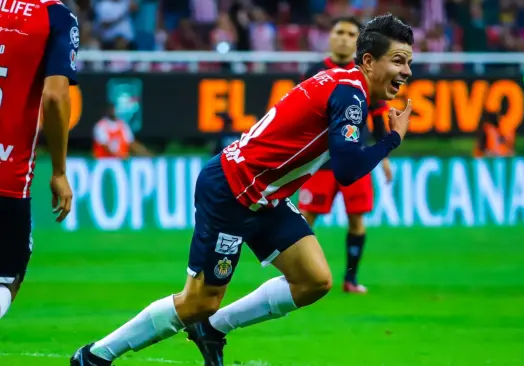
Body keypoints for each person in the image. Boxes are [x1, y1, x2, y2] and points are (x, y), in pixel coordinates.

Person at [71, 13, 414, 366]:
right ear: (369, 61)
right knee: (198, 301)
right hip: (233, 192)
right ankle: (95, 355)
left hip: (266, 196)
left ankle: (212, 329)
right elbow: (346, 169)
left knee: (314, 280)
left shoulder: (343, 84)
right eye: (398, 61)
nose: (406, 72)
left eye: (409, 63)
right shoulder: (349, 93)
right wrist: (393, 139)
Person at [298, 16, 393, 294]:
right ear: (330, 37)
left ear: (358, 40)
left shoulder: (367, 73)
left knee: (356, 219)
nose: (343, 37)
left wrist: (384, 157)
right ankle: (299, 274)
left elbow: (376, 115)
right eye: (339, 32)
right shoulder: (314, 71)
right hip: (320, 162)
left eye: (350, 33)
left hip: (354, 161)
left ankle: (351, 279)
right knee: (305, 219)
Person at [0, 0, 78, 318]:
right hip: (7, 174)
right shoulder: (55, 17)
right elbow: (55, 96)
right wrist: (59, 171)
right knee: (6, 278)